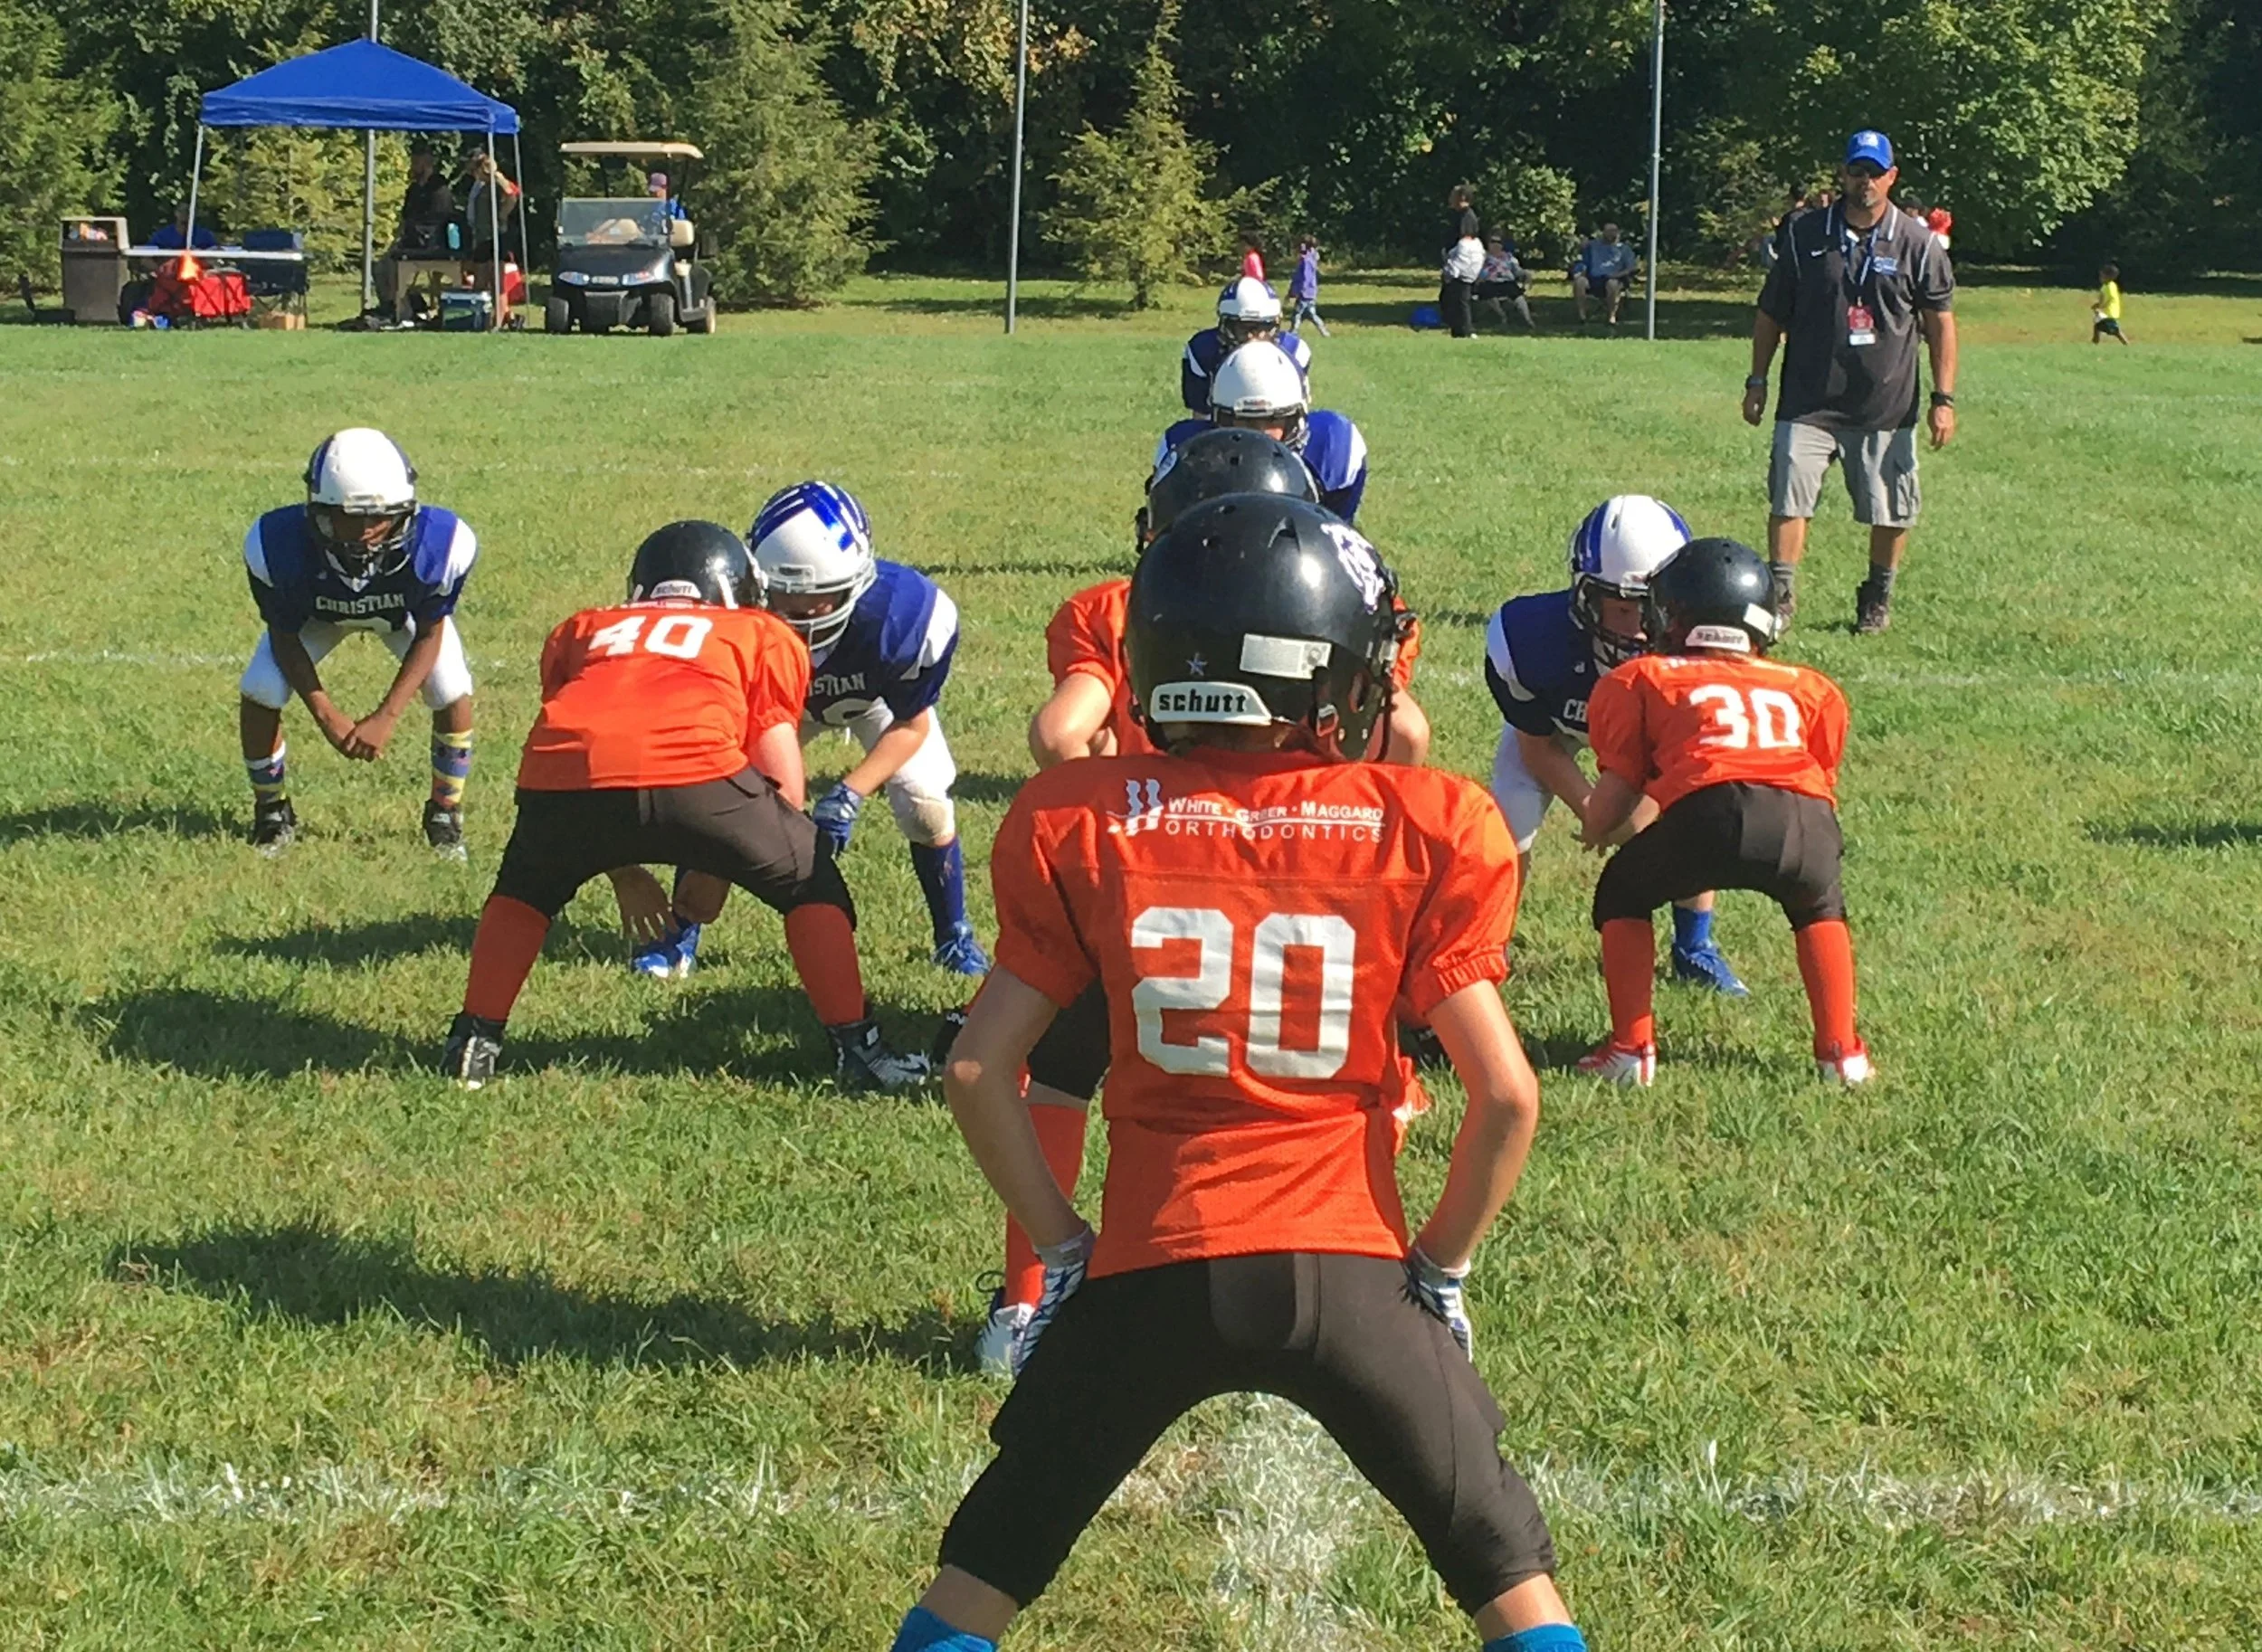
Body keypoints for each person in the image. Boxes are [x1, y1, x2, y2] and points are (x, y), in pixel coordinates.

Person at [891, 493, 1587, 1652]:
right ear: (1326, 677)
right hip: (1353, 1274)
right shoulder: (1423, 823)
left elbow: (976, 1069)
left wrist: (1064, 1248)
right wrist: (1444, 1270)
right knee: (1509, 1576)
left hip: (1149, 1266)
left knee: (981, 1574)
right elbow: (1508, 1094)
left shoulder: (1084, 818)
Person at [986, 430, 1331, 1372]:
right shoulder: (1326, 603)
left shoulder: (1109, 607)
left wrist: (1119, 785)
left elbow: (1061, 733)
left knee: (1054, 1076)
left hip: (1135, 885)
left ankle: (1030, 1299)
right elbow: (1404, 738)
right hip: (1284, 896)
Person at [441, 521, 930, 1093]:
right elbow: (781, 783)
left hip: (563, 778)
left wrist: (621, 869)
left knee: (523, 893)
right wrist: (722, 862)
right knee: (810, 882)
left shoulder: (583, 628)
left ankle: (473, 1043)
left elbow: (593, 742)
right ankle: (858, 1051)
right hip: (698, 777)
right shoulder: (759, 631)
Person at [630, 483, 990, 981]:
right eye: (786, 596)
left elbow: (911, 724)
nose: (801, 613)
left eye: (819, 598)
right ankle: (681, 933)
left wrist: (850, 793)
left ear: (856, 581)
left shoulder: (907, 616)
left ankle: (954, 935)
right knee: (720, 799)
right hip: (778, 702)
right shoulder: (738, 605)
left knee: (926, 805)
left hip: (876, 702)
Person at [1573, 536, 1870, 1087]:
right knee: (1820, 906)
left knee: (1623, 893)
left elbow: (1621, 782)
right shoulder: (1811, 688)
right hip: (1808, 822)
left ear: (1673, 616)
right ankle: (1841, 1054)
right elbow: (1822, 776)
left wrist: (1594, 827)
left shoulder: (1645, 678)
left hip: (1713, 813)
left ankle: (1630, 1050)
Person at [1484, 496, 1748, 994]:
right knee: (1507, 824)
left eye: (1647, 610)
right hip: (1556, 729)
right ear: (1585, 598)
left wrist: (1634, 815)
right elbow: (1537, 745)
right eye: (1620, 608)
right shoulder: (1531, 639)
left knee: (1694, 812)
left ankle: (1695, 946)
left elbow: (1686, 766)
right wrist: (1590, 809)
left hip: (1653, 739)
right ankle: (1489, 943)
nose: (1635, 628)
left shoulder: (1697, 650)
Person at [1744, 128, 1957, 636]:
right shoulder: (1804, 235)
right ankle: (1783, 596)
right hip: (1808, 400)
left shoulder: (1918, 244)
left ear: (1892, 177)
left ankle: (1877, 596)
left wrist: (1943, 399)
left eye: (1875, 173)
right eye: (1856, 172)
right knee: (1788, 499)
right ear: (1843, 175)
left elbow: (1940, 323)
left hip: (1884, 403)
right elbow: (1770, 314)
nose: (1865, 182)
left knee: (1891, 508)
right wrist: (1757, 380)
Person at [236, 429, 478, 859]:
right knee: (261, 688)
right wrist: (328, 715)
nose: (366, 532)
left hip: (399, 616)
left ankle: (445, 810)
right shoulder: (275, 543)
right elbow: (285, 632)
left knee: (451, 690)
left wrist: (387, 715)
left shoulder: (442, 543)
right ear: (318, 511)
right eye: (349, 517)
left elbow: (429, 631)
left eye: (379, 518)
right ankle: (271, 810)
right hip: (318, 615)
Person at [1157, 339, 1368, 522]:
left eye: (1272, 420)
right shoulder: (1187, 453)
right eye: (1245, 422)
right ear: (1220, 419)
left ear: (1295, 419)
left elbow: (1336, 540)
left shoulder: (1331, 445)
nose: (1259, 433)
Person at [1179, 276, 1310, 416]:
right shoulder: (1203, 351)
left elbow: (1299, 414)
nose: (1252, 337)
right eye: (1243, 329)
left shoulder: (1294, 351)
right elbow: (1201, 415)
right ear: (1225, 325)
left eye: (1261, 328)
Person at [373, 141, 456, 323]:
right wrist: (398, 238)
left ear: (425, 164)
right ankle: (393, 305)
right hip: (410, 240)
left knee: (395, 267)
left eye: (415, 163)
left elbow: (442, 218)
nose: (412, 167)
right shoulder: (413, 190)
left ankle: (405, 311)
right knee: (380, 267)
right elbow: (405, 217)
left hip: (432, 243)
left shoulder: (440, 189)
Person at [1440, 185, 1484, 338]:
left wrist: (1454, 263)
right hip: (1455, 258)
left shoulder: (1467, 216)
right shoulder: (1456, 215)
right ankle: (1457, 329)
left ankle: (1467, 329)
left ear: (1462, 198)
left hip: (1462, 261)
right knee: (1450, 297)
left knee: (1461, 297)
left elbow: (1465, 242)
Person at [1569, 224, 1637, 325]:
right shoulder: (1593, 245)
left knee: (1612, 284)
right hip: (1593, 279)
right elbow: (1580, 249)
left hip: (1615, 278)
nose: (1611, 233)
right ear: (1603, 232)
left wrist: (1617, 275)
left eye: (1613, 231)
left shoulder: (1624, 249)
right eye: (1608, 231)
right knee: (1579, 282)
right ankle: (1582, 316)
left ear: (1618, 233)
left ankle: (1611, 316)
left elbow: (1631, 268)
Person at [1476, 233, 1535, 331]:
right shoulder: (1482, 257)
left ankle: (1528, 320)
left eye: (1498, 242)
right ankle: (1502, 317)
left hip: (1507, 281)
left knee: (1519, 297)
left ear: (1502, 245)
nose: (1495, 244)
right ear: (1488, 244)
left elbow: (1517, 270)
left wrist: (1525, 273)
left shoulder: (1508, 257)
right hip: (1489, 282)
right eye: (1493, 242)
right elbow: (1477, 271)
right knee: (1489, 293)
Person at [1288, 234, 1328, 336]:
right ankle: (1323, 331)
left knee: (1297, 314)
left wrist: (1297, 291)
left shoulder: (1306, 261)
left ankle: (1293, 332)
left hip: (1304, 292)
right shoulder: (1311, 258)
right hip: (1310, 292)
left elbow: (1304, 278)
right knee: (1311, 314)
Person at [147, 203, 220, 251]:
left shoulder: (204, 234)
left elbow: (216, 250)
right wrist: (160, 271)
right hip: (171, 270)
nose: (185, 214)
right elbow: (146, 254)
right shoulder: (163, 234)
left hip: (197, 269)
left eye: (188, 212)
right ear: (176, 213)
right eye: (182, 211)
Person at [2092, 263, 2130, 345]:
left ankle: (2126, 344)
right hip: (2108, 312)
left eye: (2102, 276)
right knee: (2097, 327)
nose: (2100, 278)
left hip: (2109, 313)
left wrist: (2099, 307)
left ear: (2107, 277)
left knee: (2116, 331)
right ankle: (2094, 343)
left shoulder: (2108, 287)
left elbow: (2107, 299)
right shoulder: (2109, 286)